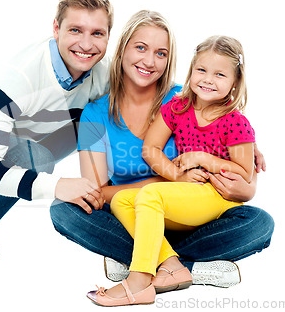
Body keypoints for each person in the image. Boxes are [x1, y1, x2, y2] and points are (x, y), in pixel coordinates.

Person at [48, 11, 274, 306]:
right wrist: (173, 177)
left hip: (194, 216)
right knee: (65, 210)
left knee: (259, 223)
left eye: (161, 53)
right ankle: (181, 265)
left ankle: (147, 264)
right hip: (131, 218)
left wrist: (245, 171)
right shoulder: (94, 115)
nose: (149, 61)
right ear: (123, 49)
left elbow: (241, 174)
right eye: (140, 48)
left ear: (170, 60)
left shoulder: (188, 99)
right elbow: (97, 194)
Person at [87, 35, 258, 306]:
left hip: (213, 194)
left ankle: (139, 279)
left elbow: (245, 173)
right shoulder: (178, 107)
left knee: (150, 196)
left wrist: (203, 158)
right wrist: (176, 174)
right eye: (201, 70)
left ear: (235, 82)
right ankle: (172, 265)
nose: (208, 79)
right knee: (122, 199)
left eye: (220, 74)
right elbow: (150, 149)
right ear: (191, 72)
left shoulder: (236, 122)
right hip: (184, 191)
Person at [0, 0, 111, 258]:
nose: (87, 44)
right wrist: (58, 186)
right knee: (34, 158)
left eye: (97, 33)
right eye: (75, 30)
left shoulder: (102, 74)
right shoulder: (15, 75)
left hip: (30, 137)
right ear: (56, 29)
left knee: (104, 116)